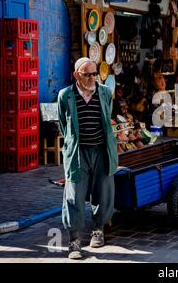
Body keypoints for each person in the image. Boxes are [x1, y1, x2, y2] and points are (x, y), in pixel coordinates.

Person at [58, 57, 118, 260]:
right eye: (87, 74)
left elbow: (107, 117)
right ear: (76, 75)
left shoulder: (105, 92)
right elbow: (63, 125)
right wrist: (71, 145)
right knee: (74, 193)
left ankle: (98, 229)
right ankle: (74, 240)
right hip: (78, 152)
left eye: (95, 74)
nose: (93, 77)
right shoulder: (65, 95)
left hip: (102, 150)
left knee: (103, 191)